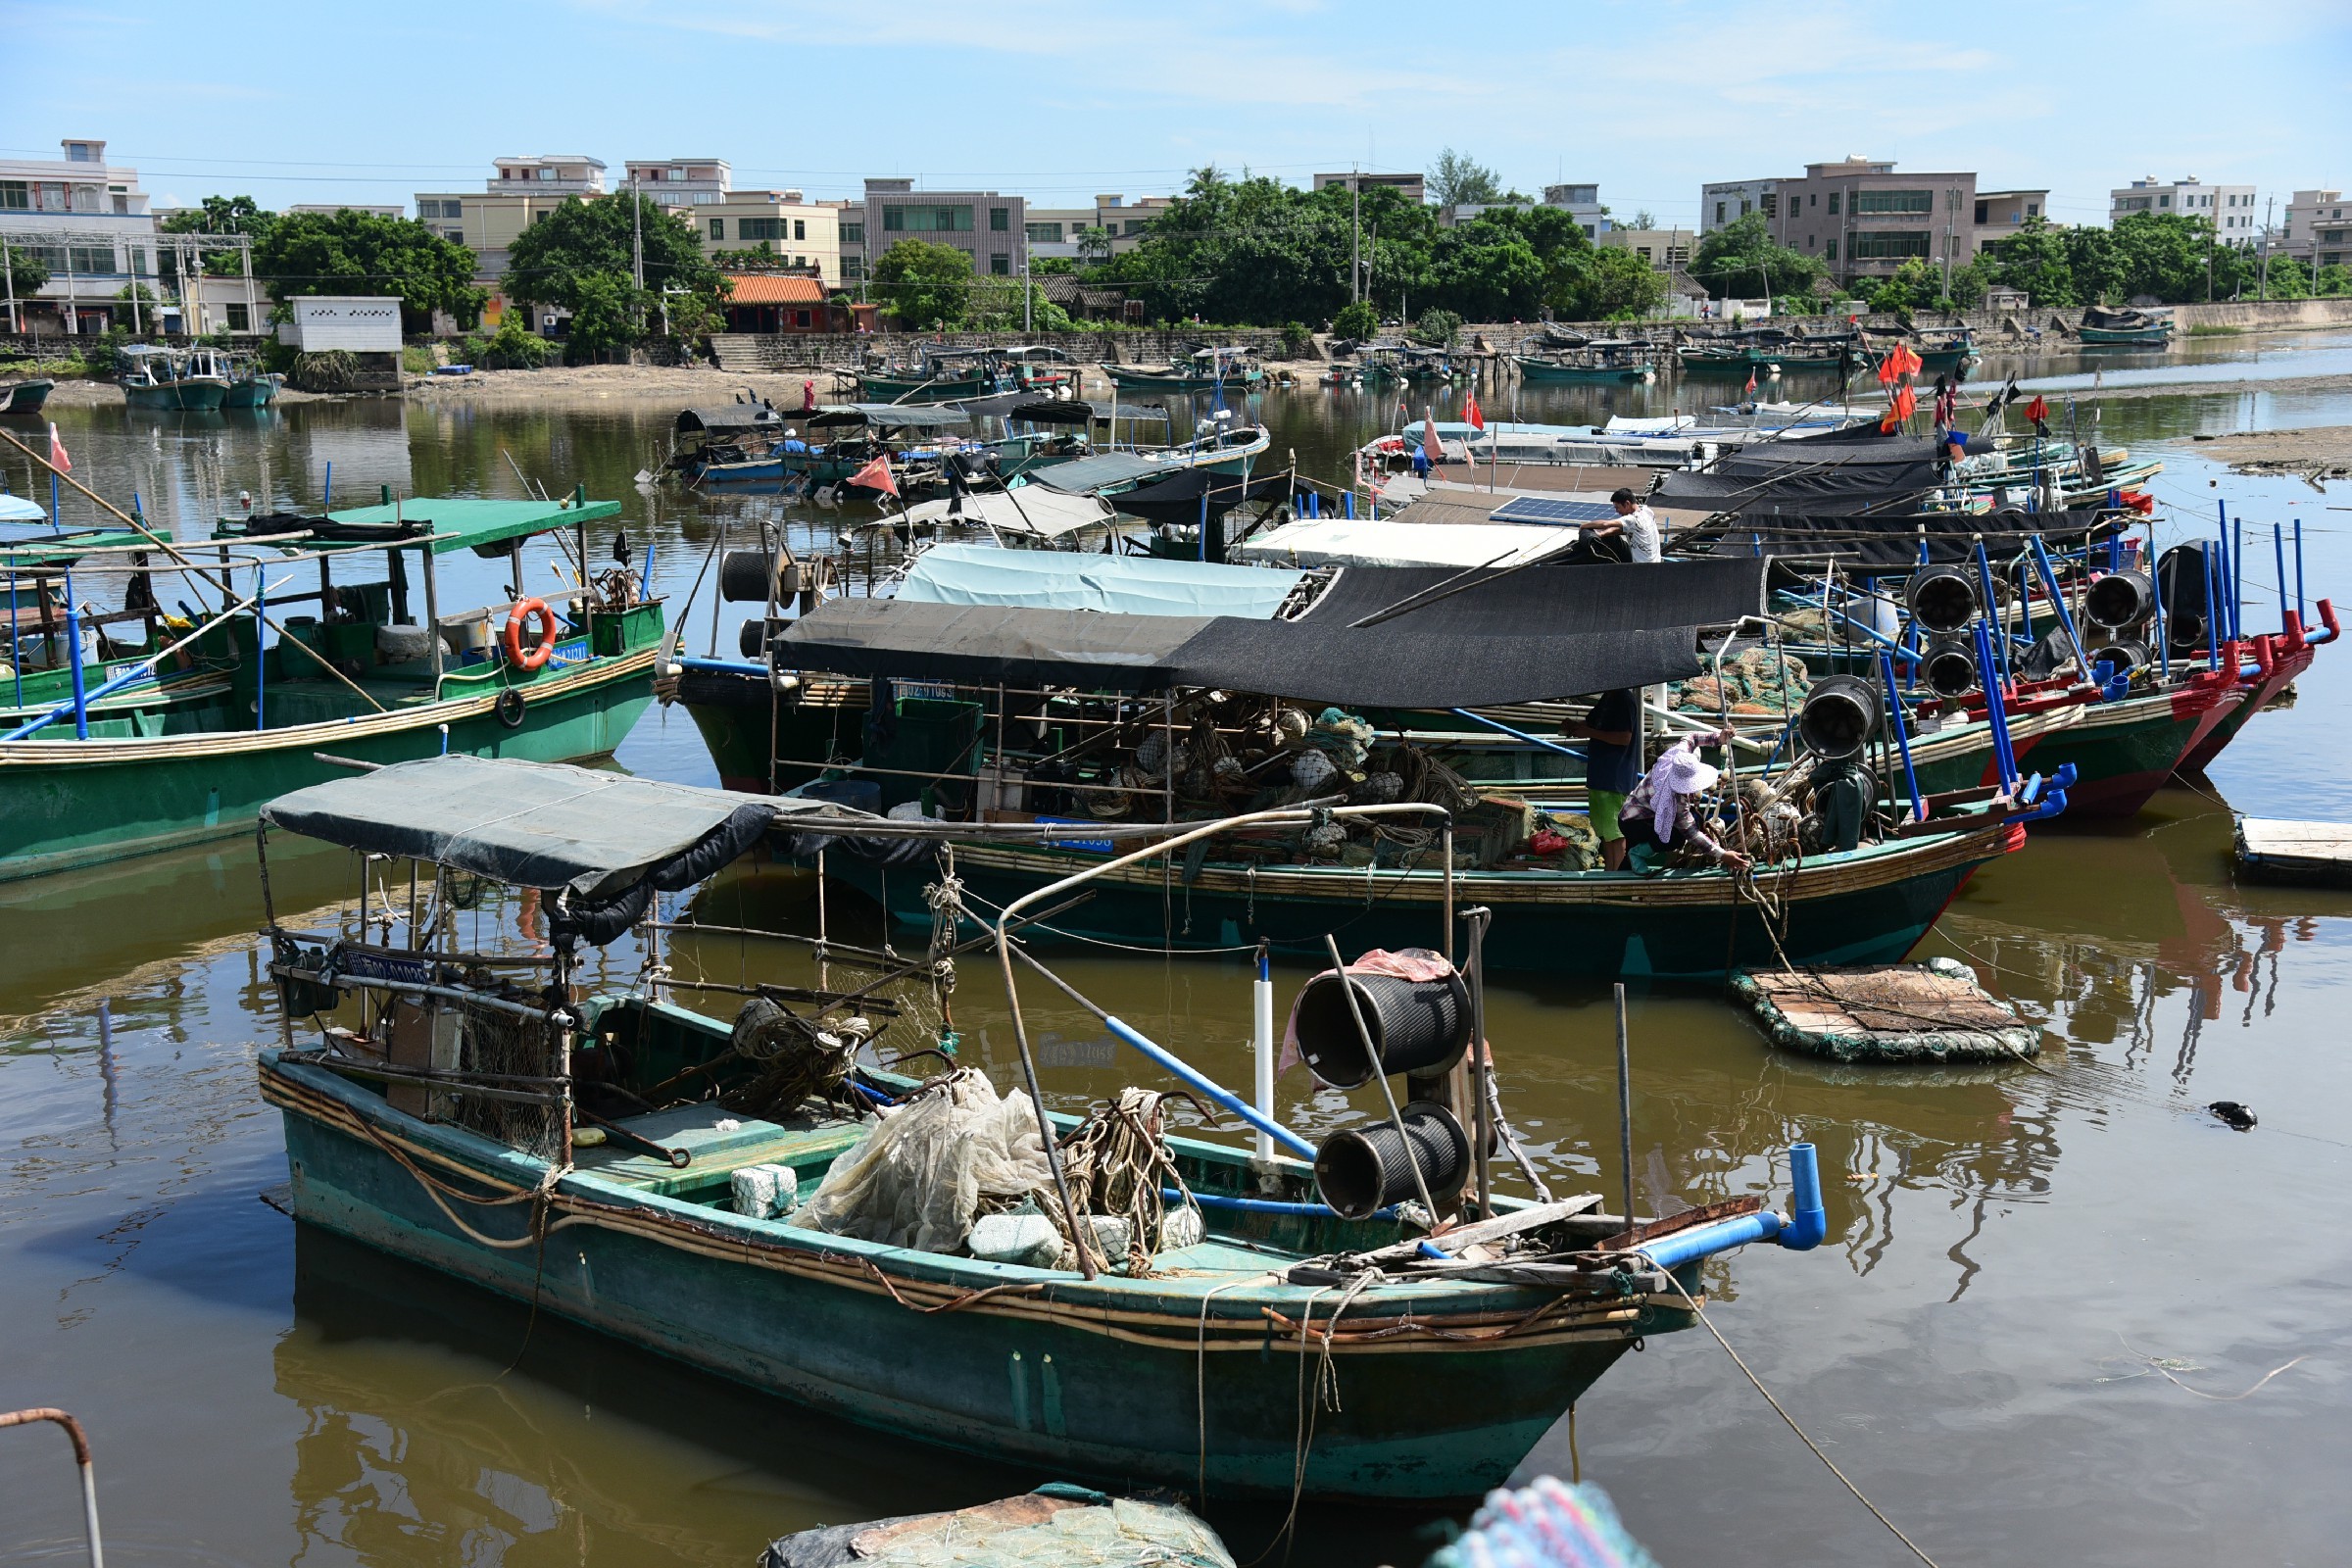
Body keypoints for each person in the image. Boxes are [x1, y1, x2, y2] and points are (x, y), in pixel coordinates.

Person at [1619, 731, 1750, 873]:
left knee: (1627, 865)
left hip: (1635, 811)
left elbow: (1691, 737)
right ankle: (1636, 854)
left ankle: (1617, 885)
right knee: (1676, 837)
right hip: (1633, 822)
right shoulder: (1676, 801)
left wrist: (1718, 738)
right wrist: (1723, 855)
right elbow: (1691, 833)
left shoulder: (1676, 756)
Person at [1562, 688, 1639, 869]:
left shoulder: (1624, 699)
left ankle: (1617, 876)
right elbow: (1592, 723)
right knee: (1605, 832)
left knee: (1616, 832)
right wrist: (1574, 726)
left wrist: (1589, 732)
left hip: (1615, 777)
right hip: (1600, 775)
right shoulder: (1607, 697)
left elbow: (1624, 737)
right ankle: (1610, 871)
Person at [1589, 487, 1660, 563]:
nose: (1617, 511)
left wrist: (1584, 526)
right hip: (1657, 563)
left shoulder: (1632, 519)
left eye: (1618, 508)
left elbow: (1605, 524)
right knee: (1611, 536)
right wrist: (1602, 533)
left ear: (1627, 504)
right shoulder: (1648, 512)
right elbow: (1622, 529)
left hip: (1643, 567)